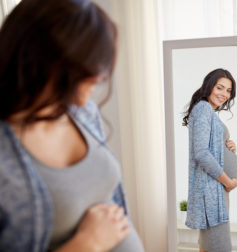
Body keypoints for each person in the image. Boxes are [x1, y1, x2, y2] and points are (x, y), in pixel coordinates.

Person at [0, 0, 144, 251]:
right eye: (86, 67)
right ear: (42, 61)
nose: (97, 78)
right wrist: (88, 243)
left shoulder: (82, 112)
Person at [183, 68, 237, 252]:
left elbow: (210, 148)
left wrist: (229, 146)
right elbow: (201, 153)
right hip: (212, 193)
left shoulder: (207, 111)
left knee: (208, 246)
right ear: (209, 86)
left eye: (228, 91)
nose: (224, 94)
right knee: (219, 247)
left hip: (215, 191)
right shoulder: (203, 109)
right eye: (220, 88)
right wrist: (228, 182)